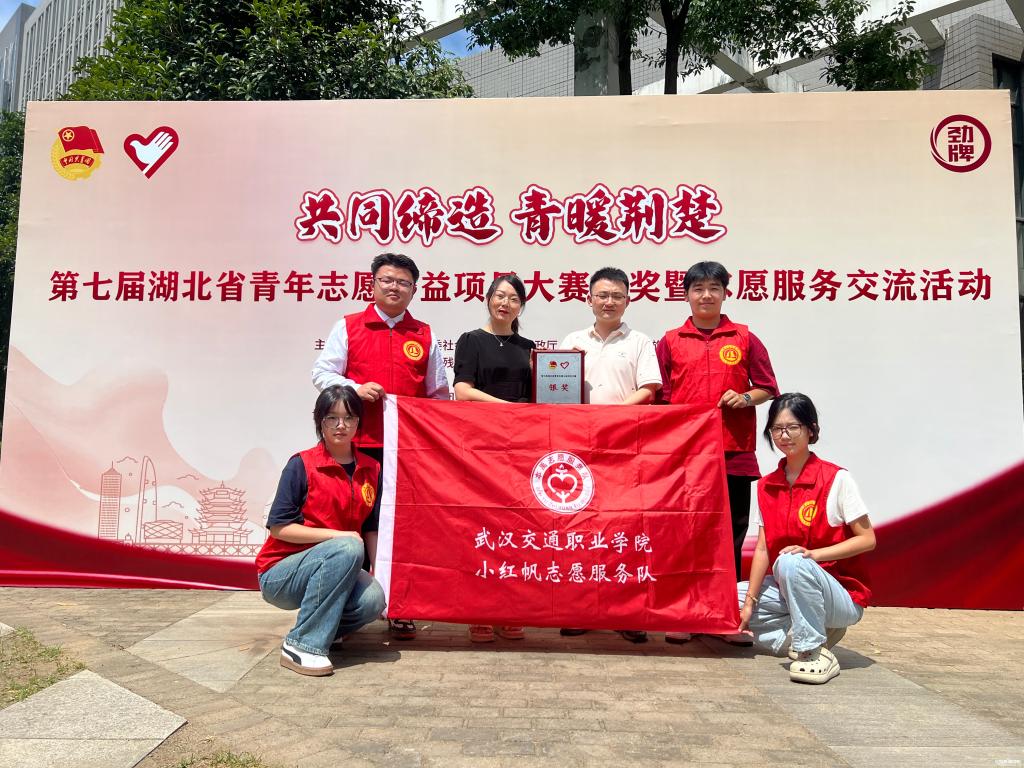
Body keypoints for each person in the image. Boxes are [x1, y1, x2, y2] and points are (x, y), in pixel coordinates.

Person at [311, 252, 449, 641]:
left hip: (407, 452)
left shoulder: (424, 335)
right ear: (372, 284)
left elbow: (439, 394)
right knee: (352, 526)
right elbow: (321, 373)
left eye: (403, 282)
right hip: (354, 447)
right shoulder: (349, 326)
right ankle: (343, 612)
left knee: (403, 528)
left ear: (414, 290)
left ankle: (402, 606)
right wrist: (355, 388)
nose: (394, 287)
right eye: (387, 280)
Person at [656, 261, 779, 645]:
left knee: (730, 536)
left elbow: (767, 387)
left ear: (726, 292)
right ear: (686, 295)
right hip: (686, 457)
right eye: (698, 288)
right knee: (686, 534)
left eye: (713, 288)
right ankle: (685, 614)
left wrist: (745, 398)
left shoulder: (744, 338)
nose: (706, 295)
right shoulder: (671, 341)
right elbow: (659, 399)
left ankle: (725, 618)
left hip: (733, 453)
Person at [738, 393, 875, 684]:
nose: (784, 435)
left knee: (791, 561)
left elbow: (867, 539)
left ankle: (812, 650)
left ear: (811, 430)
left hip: (839, 595)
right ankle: (807, 634)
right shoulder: (766, 486)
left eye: (793, 427)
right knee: (726, 601)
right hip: (789, 588)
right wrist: (749, 602)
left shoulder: (837, 479)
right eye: (777, 429)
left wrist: (814, 555)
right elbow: (762, 548)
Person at [557, 267, 662, 644]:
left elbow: (648, 390)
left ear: (628, 301)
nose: (609, 302)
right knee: (579, 528)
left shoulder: (639, 342)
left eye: (617, 296)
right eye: (602, 295)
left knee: (624, 530)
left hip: (624, 448)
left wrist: (609, 417)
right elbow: (556, 390)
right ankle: (581, 609)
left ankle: (627, 612)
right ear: (589, 299)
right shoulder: (571, 342)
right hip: (578, 449)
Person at [255, 385, 386, 677]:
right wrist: (338, 536)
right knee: (349, 547)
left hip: (339, 564)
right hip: (281, 572)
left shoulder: (371, 469)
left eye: (349, 418)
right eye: (332, 418)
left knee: (374, 599)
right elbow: (279, 528)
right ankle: (302, 645)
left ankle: (322, 629)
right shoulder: (301, 465)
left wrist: (381, 574)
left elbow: (370, 528)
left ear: (359, 423)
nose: (341, 425)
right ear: (319, 421)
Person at [454, 274, 535, 642]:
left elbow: (538, 396)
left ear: (521, 306)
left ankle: (509, 608)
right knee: (481, 528)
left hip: (520, 447)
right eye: (500, 296)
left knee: (516, 529)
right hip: (480, 446)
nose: (506, 303)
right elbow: (462, 391)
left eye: (514, 298)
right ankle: (480, 610)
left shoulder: (528, 348)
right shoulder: (471, 340)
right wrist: (506, 408)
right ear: (488, 299)